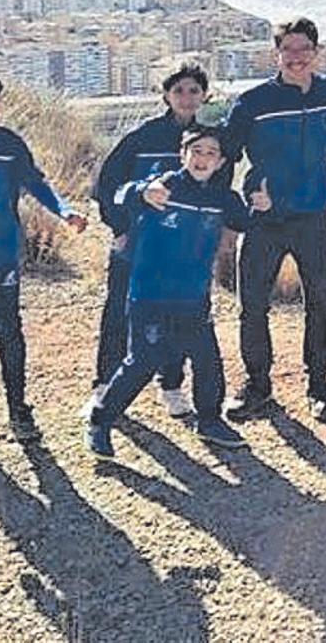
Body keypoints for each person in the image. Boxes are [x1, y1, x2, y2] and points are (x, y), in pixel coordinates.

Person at [85, 125, 265, 457]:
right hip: (150, 294)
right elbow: (120, 195)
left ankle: (210, 421)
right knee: (142, 361)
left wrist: (260, 207)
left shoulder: (223, 198)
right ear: (183, 155)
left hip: (193, 297)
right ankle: (101, 419)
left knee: (207, 360)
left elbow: (244, 221)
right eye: (196, 151)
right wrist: (141, 191)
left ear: (221, 162)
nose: (203, 158)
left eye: (211, 153)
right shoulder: (164, 185)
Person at [221, 17, 326, 423]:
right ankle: (257, 385)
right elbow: (225, 154)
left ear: (316, 52)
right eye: (287, 49)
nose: (296, 57)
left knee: (321, 301)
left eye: (303, 49)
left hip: (314, 215)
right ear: (276, 54)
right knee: (253, 305)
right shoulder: (253, 103)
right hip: (265, 218)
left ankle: (319, 385)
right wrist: (237, 206)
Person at [86, 61, 216, 421]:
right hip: (137, 245)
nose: (186, 97)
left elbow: (216, 195)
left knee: (180, 315)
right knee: (119, 312)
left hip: (183, 250)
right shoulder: (142, 137)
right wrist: (119, 228)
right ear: (166, 95)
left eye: (194, 90)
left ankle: (171, 386)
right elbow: (107, 184)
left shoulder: (209, 140)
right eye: (179, 91)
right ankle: (104, 388)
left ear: (204, 95)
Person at [0, 67, 86, 440]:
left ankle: (18, 410)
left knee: (9, 330)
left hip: (0, 254)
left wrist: (64, 210)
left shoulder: (7, 143)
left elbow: (35, 183)